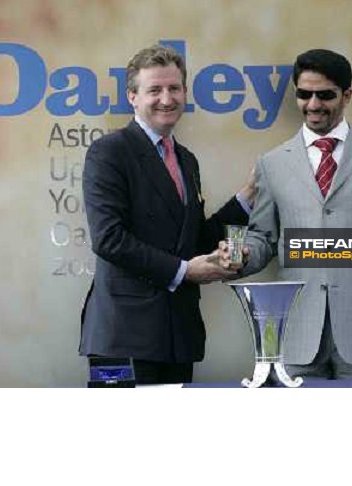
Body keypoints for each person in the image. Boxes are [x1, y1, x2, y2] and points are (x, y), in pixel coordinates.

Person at [221, 48, 352, 379]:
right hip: (296, 332)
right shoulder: (272, 163)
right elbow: (263, 237)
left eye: (325, 95)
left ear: (347, 95)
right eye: (304, 95)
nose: (313, 104)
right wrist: (245, 253)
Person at [79, 44, 254, 385]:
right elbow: (108, 239)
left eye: (174, 88)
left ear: (185, 93)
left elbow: (191, 240)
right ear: (132, 96)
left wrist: (247, 198)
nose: (166, 98)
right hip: (125, 335)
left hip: (177, 336)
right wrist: (185, 271)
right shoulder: (109, 152)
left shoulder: (186, 160)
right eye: (154, 90)